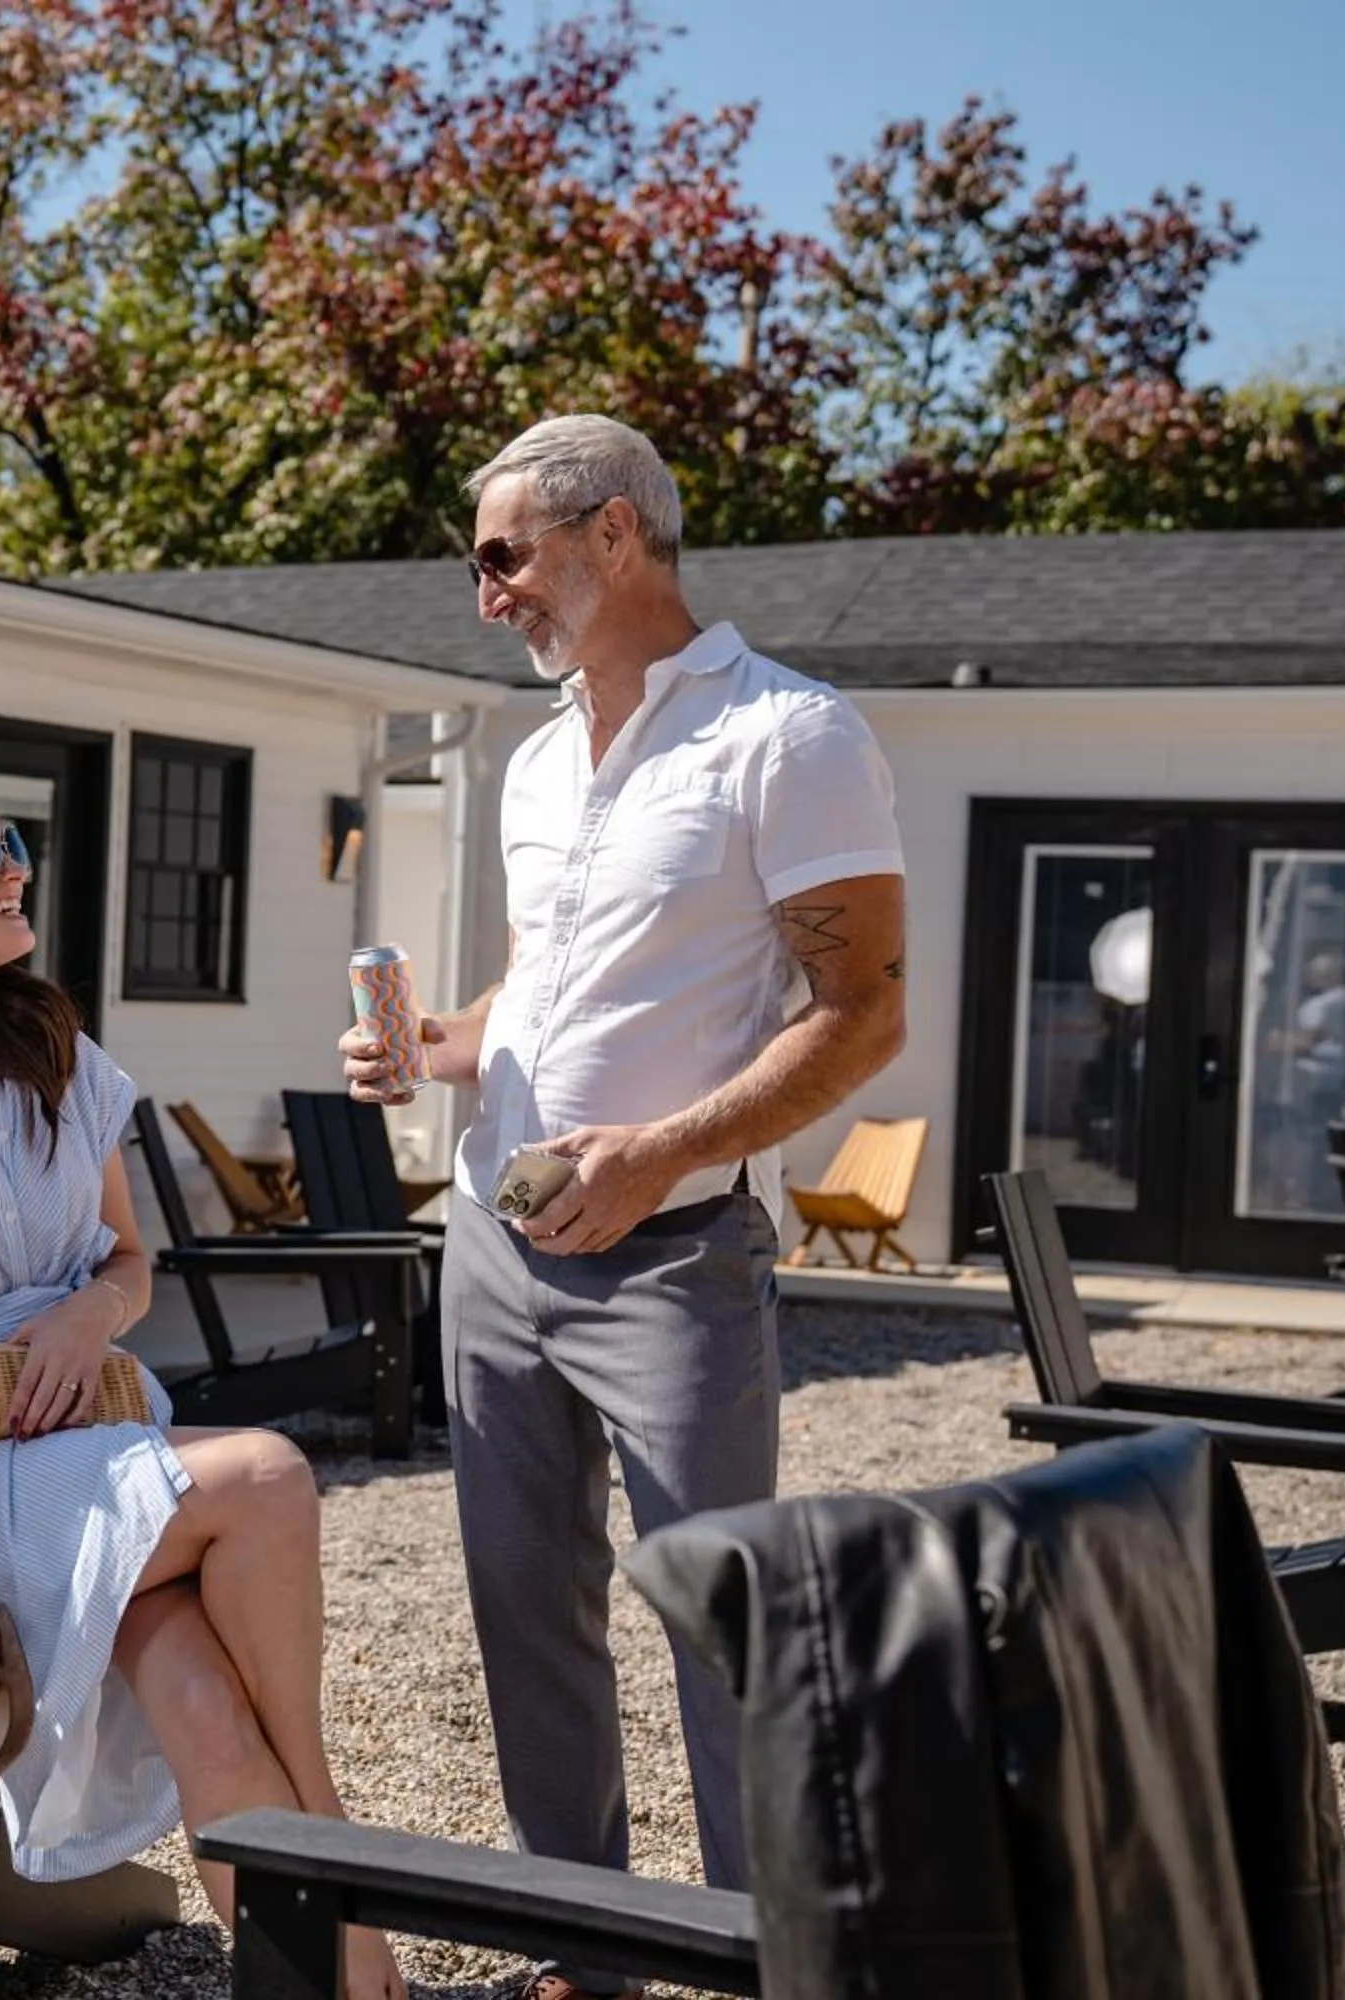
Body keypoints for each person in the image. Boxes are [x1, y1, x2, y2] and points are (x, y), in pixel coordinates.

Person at [344, 415, 907, 2000]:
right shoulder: (534, 762)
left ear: (614, 536)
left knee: (723, 1628)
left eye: (502, 556)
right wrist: (433, 1047)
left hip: (673, 1266)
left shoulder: (788, 738)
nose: (485, 596)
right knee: (527, 1630)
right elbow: (543, 995)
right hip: (493, 1249)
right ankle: (585, 1957)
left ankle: (769, 1964)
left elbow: (861, 1013)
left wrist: (658, 1152)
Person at [0, 780, 404, 2000]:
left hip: (95, 1429)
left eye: (17, 843)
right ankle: (329, 1819)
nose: (16, 866)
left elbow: (129, 1258)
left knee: (203, 1697)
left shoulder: (55, 1051)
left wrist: (87, 1311)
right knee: (263, 1472)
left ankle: (336, 1985)